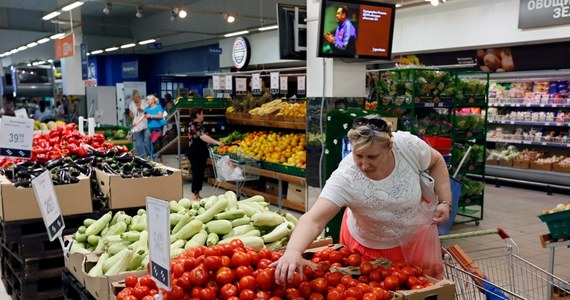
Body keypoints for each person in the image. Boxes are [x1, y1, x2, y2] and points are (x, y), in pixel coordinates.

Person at [273, 115, 452, 284]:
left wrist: (445, 201)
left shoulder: (406, 146)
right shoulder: (346, 176)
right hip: (368, 246)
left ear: (389, 147)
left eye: (372, 157)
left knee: (421, 286)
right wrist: (293, 251)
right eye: (358, 156)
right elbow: (314, 219)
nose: (364, 165)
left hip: (415, 240)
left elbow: (436, 162)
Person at [187, 107, 224, 200]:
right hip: (196, 151)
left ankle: (197, 193)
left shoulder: (198, 124)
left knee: (200, 172)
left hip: (200, 151)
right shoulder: (195, 125)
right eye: (202, 113)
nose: (203, 115)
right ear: (197, 115)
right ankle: (194, 195)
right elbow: (203, 137)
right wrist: (217, 142)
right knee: (197, 172)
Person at [144, 94, 166, 160]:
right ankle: (150, 156)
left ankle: (157, 158)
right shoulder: (146, 109)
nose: (147, 101)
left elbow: (160, 116)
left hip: (157, 128)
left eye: (148, 99)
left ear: (153, 100)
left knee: (156, 143)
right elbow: (144, 117)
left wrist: (151, 116)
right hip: (148, 127)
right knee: (147, 142)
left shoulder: (158, 107)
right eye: (146, 100)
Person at [129, 90, 149, 157]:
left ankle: (149, 154)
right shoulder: (131, 104)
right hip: (136, 125)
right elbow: (131, 114)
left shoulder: (144, 102)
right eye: (133, 98)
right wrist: (132, 115)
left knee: (146, 140)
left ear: (139, 97)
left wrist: (141, 110)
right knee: (138, 143)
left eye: (136, 98)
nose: (134, 100)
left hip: (145, 124)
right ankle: (143, 156)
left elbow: (148, 112)